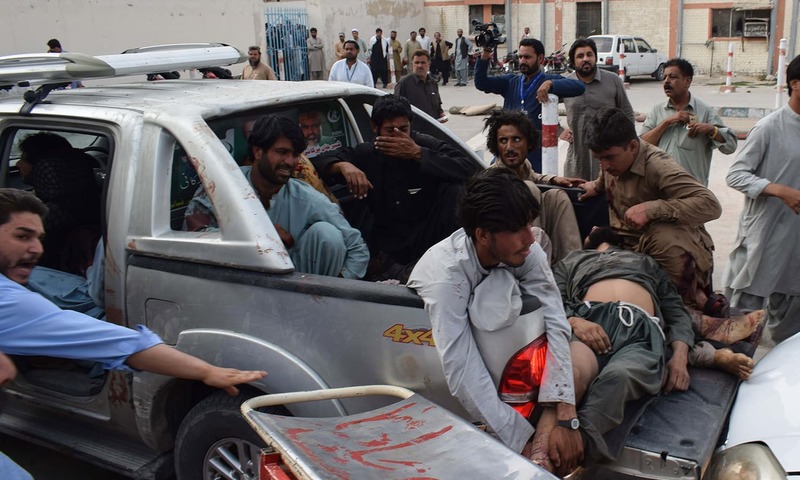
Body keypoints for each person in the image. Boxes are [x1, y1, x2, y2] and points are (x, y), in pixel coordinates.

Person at [0, 188, 267, 480]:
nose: (37, 248)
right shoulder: (11, 302)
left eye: (39, 238)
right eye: (22, 236)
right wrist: (205, 370)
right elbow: (119, 343)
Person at [407, 168, 583, 476]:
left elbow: (556, 319)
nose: (531, 238)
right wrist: (523, 442)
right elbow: (462, 368)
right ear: (483, 234)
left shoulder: (524, 249)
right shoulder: (446, 276)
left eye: (529, 224)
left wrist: (565, 408)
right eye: (518, 229)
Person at [315, 95, 480, 281]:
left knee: (455, 189)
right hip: (386, 245)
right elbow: (320, 164)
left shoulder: (422, 144)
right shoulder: (367, 153)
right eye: (389, 131)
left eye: (403, 129)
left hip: (427, 238)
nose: (398, 137)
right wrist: (342, 167)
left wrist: (418, 154)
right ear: (375, 129)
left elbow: (468, 167)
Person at [578, 107, 724, 315]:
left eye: (609, 158)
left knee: (661, 236)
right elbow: (605, 180)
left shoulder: (658, 166)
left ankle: (690, 308)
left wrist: (653, 208)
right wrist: (595, 186)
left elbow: (710, 204)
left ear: (633, 146)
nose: (604, 165)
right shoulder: (611, 161)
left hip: (674, 253)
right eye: (599, 158)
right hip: (628, 245)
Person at [185, 115, 369, 279]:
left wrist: (338, 285)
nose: (290, 162)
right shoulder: (224, 186)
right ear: (258, 152)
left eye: (295, 155)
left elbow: (357, 248)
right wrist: (260, 236)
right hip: (236, 285)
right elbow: (191, 237)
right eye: (281, 152)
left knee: (328, 235)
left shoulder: (306, 198)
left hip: (296, 289)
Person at [724, 54, 800, 345]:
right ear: (795, 84)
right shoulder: (770, 127)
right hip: (766, 235)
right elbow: (736, 175)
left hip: (795, 240)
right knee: (744, 319)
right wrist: (779, 190)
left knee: (791, 325)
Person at [484, 111, 582, 264]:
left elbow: (534, 176)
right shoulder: (494, 178)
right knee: (528, 188)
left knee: (557, 196)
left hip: (541, 239)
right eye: (503, 141)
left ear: (528, 143)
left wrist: (554, 179)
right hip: (511, 256)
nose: (509, 147)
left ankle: (573, 267)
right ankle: (536, 265)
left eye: (516, 139)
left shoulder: (523, 166)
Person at [475, 37, 585, 172]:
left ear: (540, 59)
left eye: (527, 57)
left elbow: (579, 87)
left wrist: (550, 84)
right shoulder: (510, 82)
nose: (522, 61)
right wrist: (486, 51)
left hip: (535, 161)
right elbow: (481, 83)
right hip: (507, 158)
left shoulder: (548, 80)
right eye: (520, 57)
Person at [641, 58, 737, 186]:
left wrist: (712, 130)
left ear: (687, 81)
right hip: (660, 187)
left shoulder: (705, 111)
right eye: (664, 77)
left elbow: (730, 147)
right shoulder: (657, 110)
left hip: (692, 190)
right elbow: (641, 145)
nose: (666, 82)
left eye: (672, 77)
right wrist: (667, 122)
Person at [17, 132, 101, 272]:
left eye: (23, 158)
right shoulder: (94, 202)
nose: (18, 164)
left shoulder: (45, 217)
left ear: (44, 167)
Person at [561, 38, 634, 180]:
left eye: (589, 55)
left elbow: (627, 113)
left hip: (609, 156)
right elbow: (543, 105)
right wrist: (559, 130)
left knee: (608, 197)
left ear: (595, 57)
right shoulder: (565, 83)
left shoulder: (613, 80)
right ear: (573, 61)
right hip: (577, 156)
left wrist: (627, 146)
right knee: (577, 195)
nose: (585, 59)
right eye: (580, 56)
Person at [393, 50, 446, 122]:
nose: (420, 66)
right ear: (412, 64)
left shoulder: (433, 83)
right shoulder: (403, 84)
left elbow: (438, 107)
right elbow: (395, 110)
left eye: (423, 63)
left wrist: (441, 114)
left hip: (432, 131)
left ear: (429, 64)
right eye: (417, 62)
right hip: (414, 131)